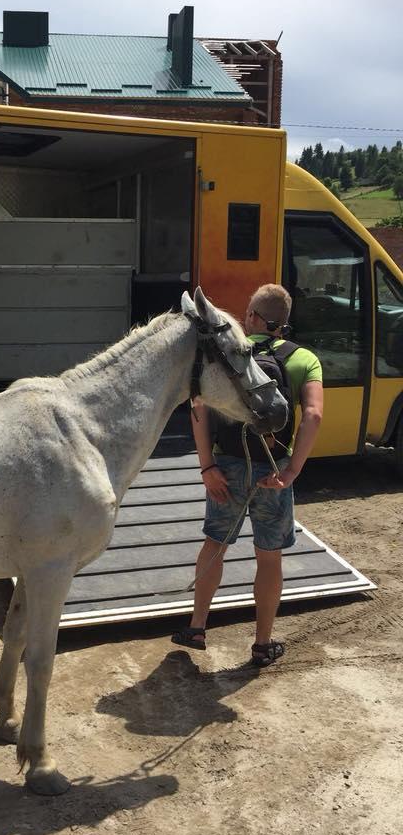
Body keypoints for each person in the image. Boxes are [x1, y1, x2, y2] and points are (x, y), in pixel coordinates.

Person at [172, 283, 323, 666]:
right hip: (273, 471)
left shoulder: (229, 351)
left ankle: (196, 627)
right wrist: (291, 470)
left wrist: (207, 467)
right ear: (284, 321)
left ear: (252, 316)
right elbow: (314, 415)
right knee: (269, 558)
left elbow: (199, 407)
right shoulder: (304, 358)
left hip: (226, 467)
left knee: (215, 546)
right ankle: (262, 644)